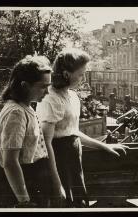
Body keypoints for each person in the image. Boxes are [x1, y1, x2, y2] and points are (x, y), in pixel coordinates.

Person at [36, 48, 128, 207]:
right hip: (58, 162)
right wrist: (57, 184)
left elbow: (73, 132)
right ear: (66, 74)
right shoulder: (50, 98)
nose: (83, 78)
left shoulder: (71, 96)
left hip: (73, 160)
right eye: (81, 74)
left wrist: (104, 146)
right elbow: (46, 142)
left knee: (78, 204)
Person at [0, 55, 63, 208]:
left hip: (36, 179)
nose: (47, 92)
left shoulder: (27, 107)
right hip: (25, 183)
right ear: (25, 85)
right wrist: (24, 200)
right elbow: (10, 162)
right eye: (43, 86)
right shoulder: (16, 113)